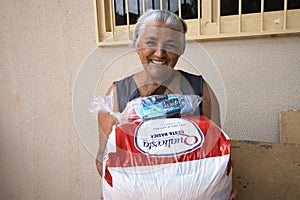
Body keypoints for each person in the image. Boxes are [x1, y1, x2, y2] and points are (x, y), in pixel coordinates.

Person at [96, 9, 236, 199]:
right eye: (150, 42)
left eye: (170, 44)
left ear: (180, 49)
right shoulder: (117, 96)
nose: (159, 53)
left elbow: (216, 152)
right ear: (137, 44)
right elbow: (103, 159)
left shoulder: (199, 90)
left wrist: (221, 185)